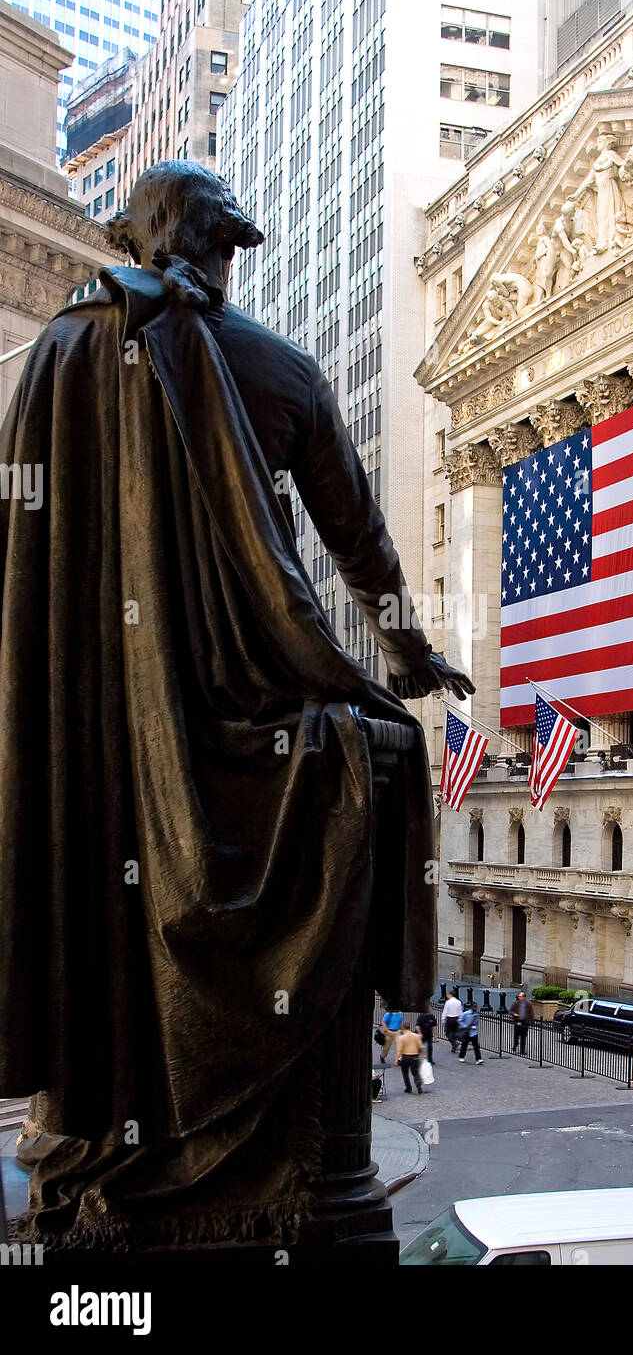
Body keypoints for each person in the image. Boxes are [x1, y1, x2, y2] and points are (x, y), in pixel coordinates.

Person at [0, 159, 474, 1255]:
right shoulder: (277, 366)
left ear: (138, 240)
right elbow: (360, 541)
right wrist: (407, 657)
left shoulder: (60, 354)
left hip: (98, 732)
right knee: (380, 748)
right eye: (226, 249)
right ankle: (296, 1140)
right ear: (219, 247)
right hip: (244, 716)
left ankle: (114, 1136)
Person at [395, 1025, 426, 1095]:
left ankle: (408, 1087)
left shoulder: (401, 1038)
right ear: (409, 1028)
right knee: (415, 1072)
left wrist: (396, 1059)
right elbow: (421, 1047)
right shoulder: (416, 1036)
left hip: (405, 1057)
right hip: (415, 1056)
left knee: (405, 1073)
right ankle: (418, 1084)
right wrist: (423, 1054)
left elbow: (399, 1050)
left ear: (403, 1028)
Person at [458, 998, 483, 1064]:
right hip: (467, 1031)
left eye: (476, 1007)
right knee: (464, 1044)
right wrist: (465, 1026)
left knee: (476, 1046)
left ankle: (478, 1059)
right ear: (471, 1007)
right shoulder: (466, 1014)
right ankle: (461, 1056)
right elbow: (460, 1020)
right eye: (474, 1007)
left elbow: (477, 1022)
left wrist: (476, 1018)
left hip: (474, 1031)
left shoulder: (476, 1014)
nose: (475, 1008)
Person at [442, 988, 463, 1053]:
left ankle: (455, 1044)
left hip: (449, 1019)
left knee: (448, 1034)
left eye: (447, 994)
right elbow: (460, 1012)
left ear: (450, 995)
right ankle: (454, 1046)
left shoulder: (448, 1002)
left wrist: (443, 1020)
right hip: (456, 1019)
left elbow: (445, 1012)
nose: (446, 996)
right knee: (454, 1032)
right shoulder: (458, 1002)